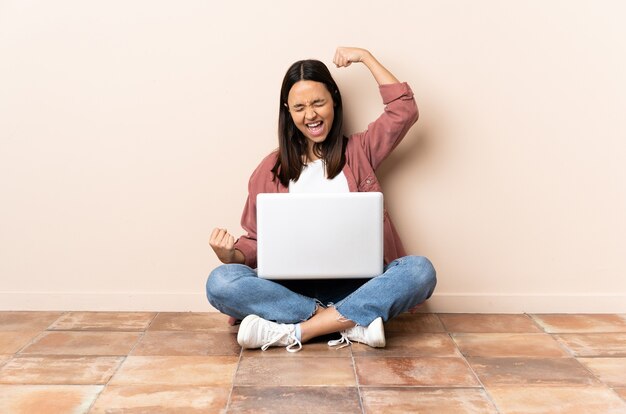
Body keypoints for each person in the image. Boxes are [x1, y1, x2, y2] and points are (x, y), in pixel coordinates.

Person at [206, 47, 436, 353]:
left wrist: (365, 57)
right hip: (291, 290)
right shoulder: (270, 170)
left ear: (334, 103)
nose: (310, 114)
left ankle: (295, 331)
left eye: (318, 103)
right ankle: (350, 323)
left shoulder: (359, 151)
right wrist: (230, 255)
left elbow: (404, 110)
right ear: (287, 112)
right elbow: (256, 243)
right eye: (299, 107)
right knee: (220, 281)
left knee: (420, 271)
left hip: (357, 284)